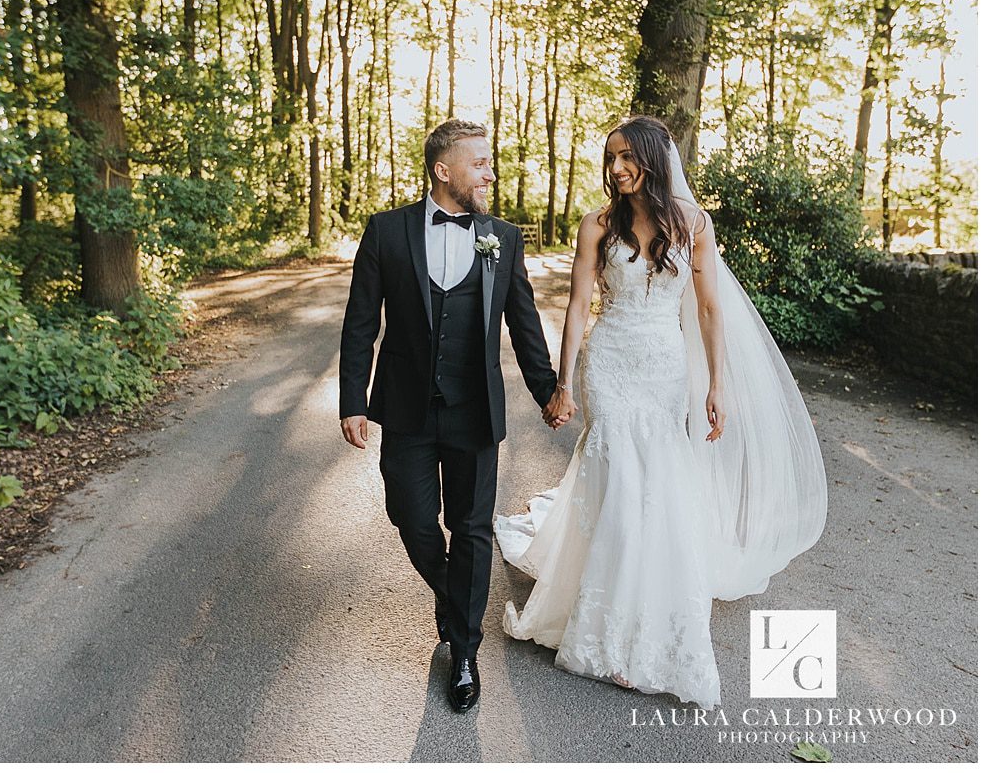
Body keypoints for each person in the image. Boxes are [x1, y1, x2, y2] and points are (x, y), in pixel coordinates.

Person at [495, 115, 827, 708]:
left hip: (663, 368)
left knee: (657, 484)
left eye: (626, 157)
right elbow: (576, 307)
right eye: (611, 158)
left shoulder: (693, 224)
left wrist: (717, 385)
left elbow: (707, 310)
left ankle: (648, 609)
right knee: (620, 478)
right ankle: (605, 621)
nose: (617, 168)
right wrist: (563, 380)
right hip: (611, 361)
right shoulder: (596, 224)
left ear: (652, 157)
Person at [339, 118, 558, 713]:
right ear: (443, 170)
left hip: (474, 412)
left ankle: (463, 651)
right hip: (406, 411)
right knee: (409, 514)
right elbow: (362, 321)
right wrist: (352, 401)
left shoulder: (503, 238)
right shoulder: (386, 232)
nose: (490, 172)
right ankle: (453, 598)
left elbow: (524, 323)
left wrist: (547, 392)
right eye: (479, 163)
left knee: (472, 526)